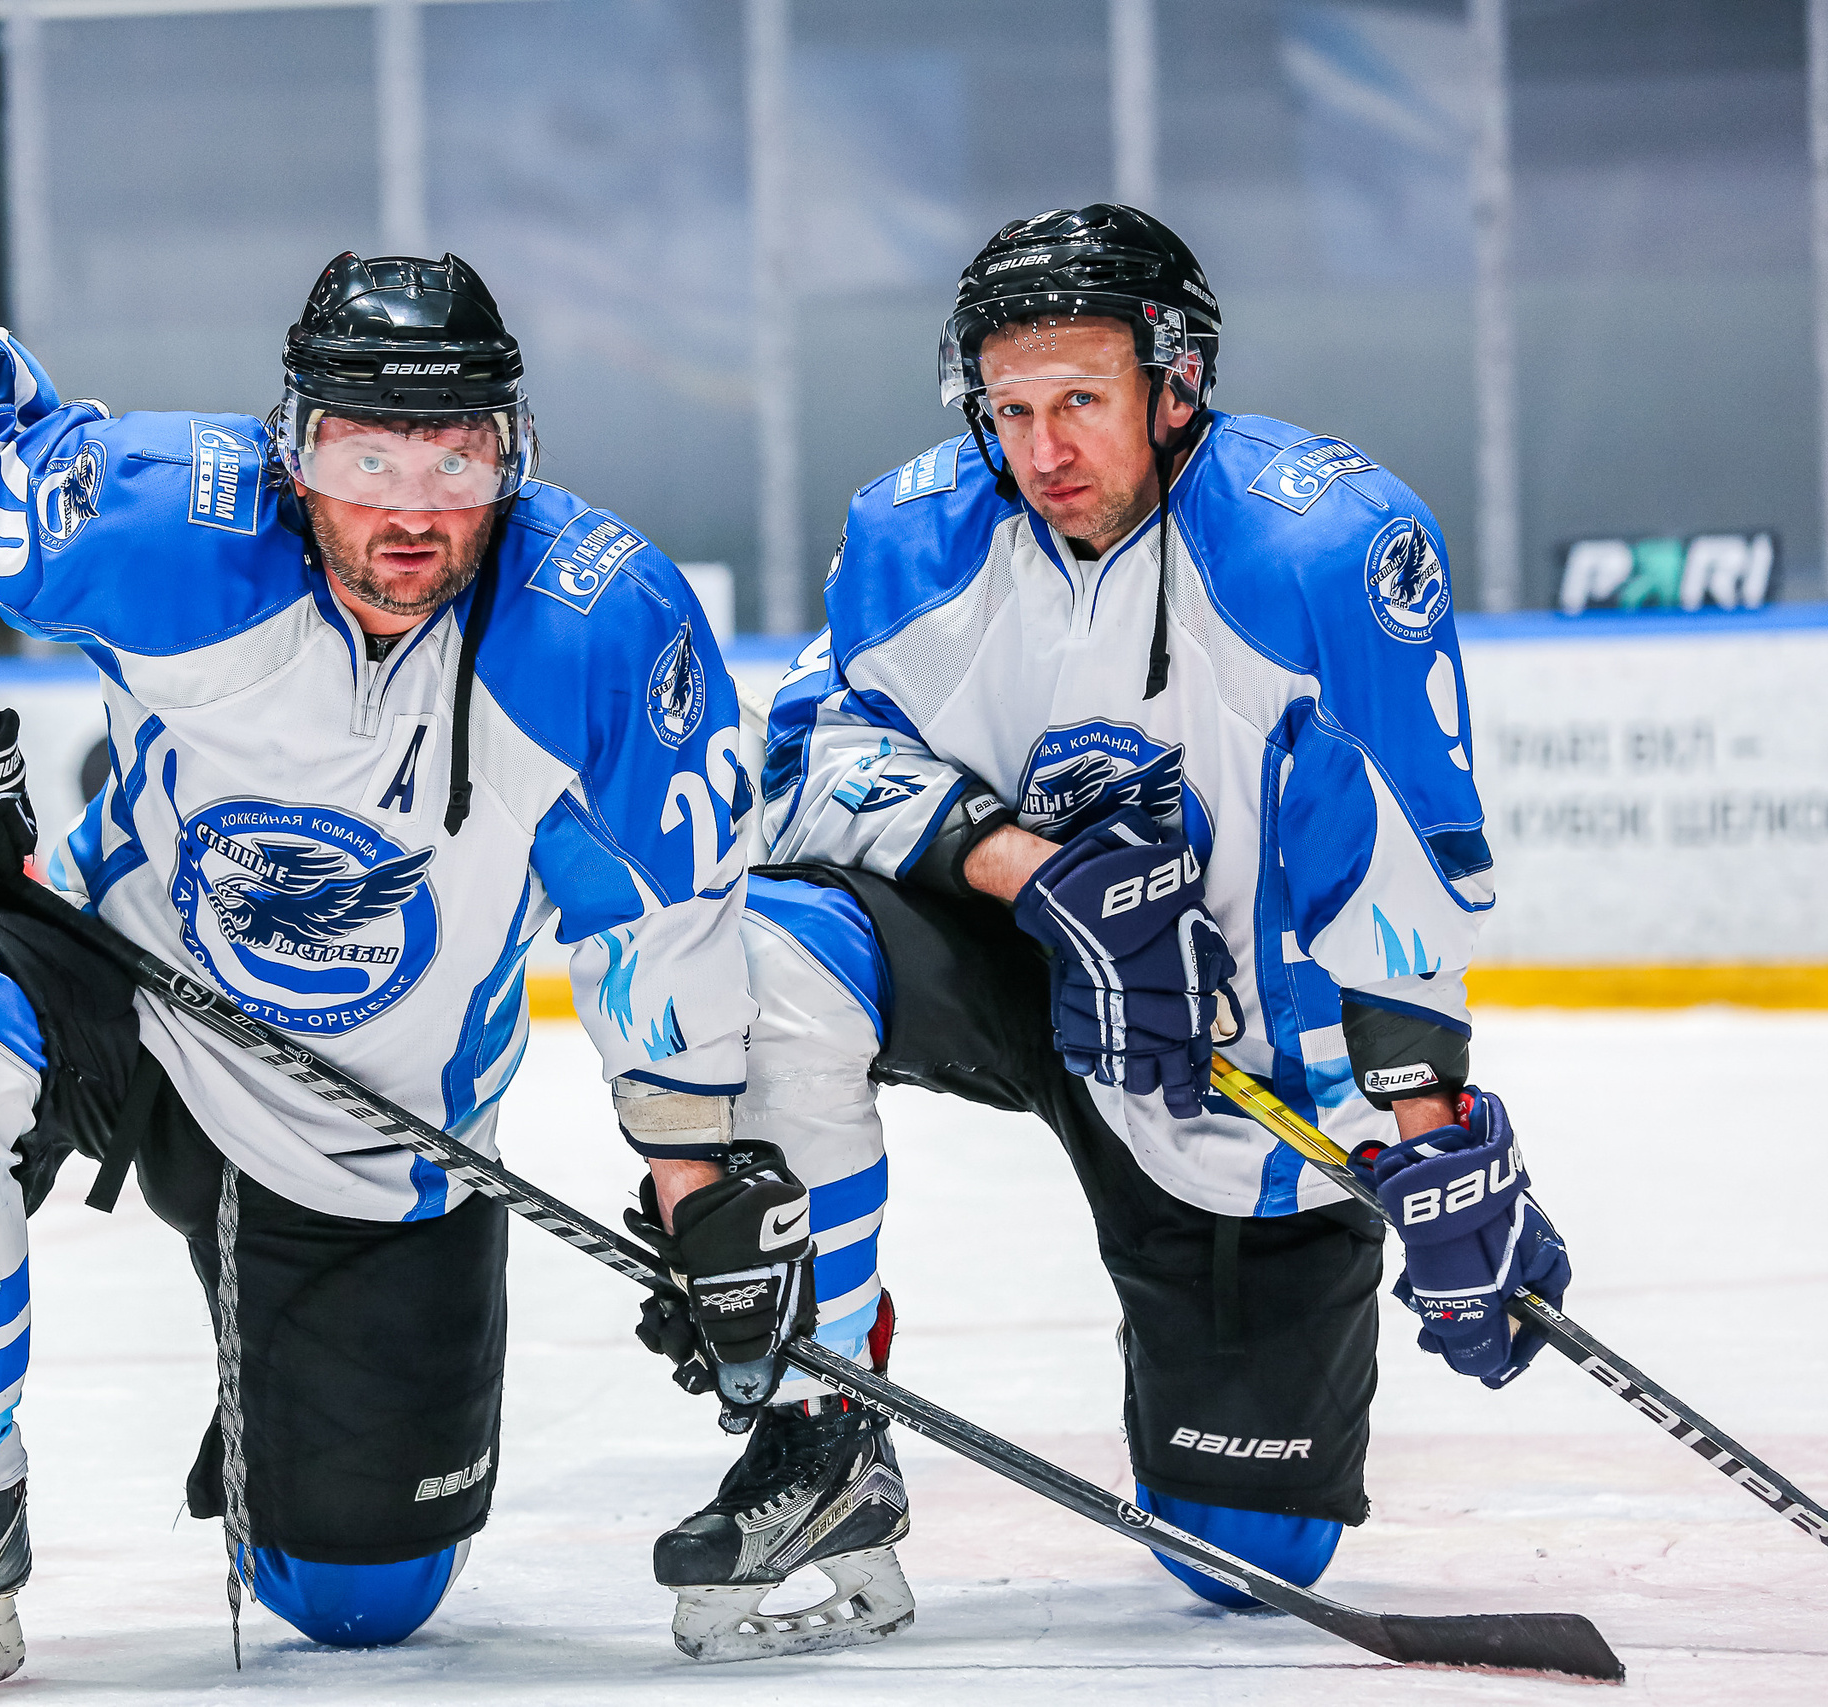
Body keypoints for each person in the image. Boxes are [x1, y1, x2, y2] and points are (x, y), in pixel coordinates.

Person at [0, 252, 757, 1702]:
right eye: (362, 455)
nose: (411, 512)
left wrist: (696, 1180)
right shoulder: (170, 523)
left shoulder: (599, 626)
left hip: (373, 1134)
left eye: (457, 458)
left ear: (513, 454)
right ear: (289, 448)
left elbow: (656, 927)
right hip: (124, 988)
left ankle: (297, 1421)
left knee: (363, 1606)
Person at [627, 204, 1572, 1656]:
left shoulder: (1322, 546)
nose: (1043, 450)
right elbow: (803, 764)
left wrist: (1427, 1127)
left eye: (1079, 401)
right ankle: (826, 1431)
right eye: (1010, 408)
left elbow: (1392, 853)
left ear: (1175, 379)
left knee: (1243, 1555)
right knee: (774, 959)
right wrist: (1028, 872)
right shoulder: (916, 533)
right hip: (1024, 970)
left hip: (1225, 1050)